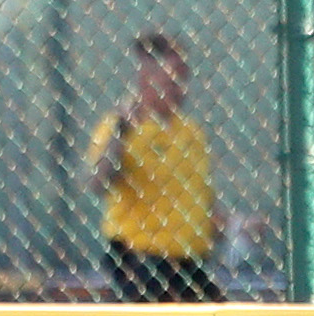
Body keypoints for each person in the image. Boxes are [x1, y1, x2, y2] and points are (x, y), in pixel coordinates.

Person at [88, 32, 219, 301]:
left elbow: (203, 202)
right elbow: (97, 182)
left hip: (189, 261)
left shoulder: (191, 133)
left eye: (184, 78)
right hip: (142, 261)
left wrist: (236, 224)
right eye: (173, 78)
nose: (181, 87)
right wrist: (121, 134)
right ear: (148, 78)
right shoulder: (121, 127)